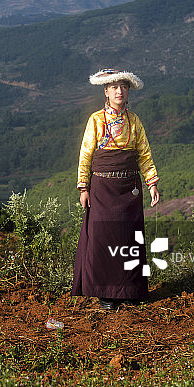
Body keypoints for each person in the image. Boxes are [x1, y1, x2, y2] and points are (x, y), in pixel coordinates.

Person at [72, 69, 160, 310]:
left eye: (123, 86)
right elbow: (86, 154)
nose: (119, 91)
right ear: (106, 92)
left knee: (129, 237)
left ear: (128, 91)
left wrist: (151, 182)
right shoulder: (96, 120)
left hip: (129, 188)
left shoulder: (135, 121)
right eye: (114, 87)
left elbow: (143, 154)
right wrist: (84, 187)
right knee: (104, 237)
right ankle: (106, 293)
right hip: (101, 188)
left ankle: (130, 290)